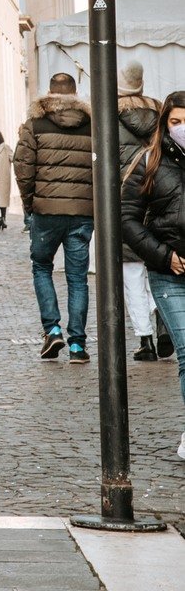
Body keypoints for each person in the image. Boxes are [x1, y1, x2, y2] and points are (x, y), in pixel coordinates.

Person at [13, 71, 94, 362]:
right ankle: (77, 345)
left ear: (49, 93)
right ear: (75, 93)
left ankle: (53, 329)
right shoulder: (92, 125)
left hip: (46, 212)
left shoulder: (34, 124)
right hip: (82, 213)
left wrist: (28, 204)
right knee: (77, 278)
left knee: (42, 268)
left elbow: (23, 168)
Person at [122, 89, 185, 459]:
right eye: (175, 122)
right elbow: (127, 220)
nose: (182, 129)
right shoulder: (150, 161)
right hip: (170, 274)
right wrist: (164, 256)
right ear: (164, 125)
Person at [118, 65, 163, 362]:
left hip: (124, 200)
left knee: (131, 272)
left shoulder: (109, 115)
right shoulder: (160, 112)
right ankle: (164, 326)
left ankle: (146, 338)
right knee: (157, 268)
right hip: (158, 197)